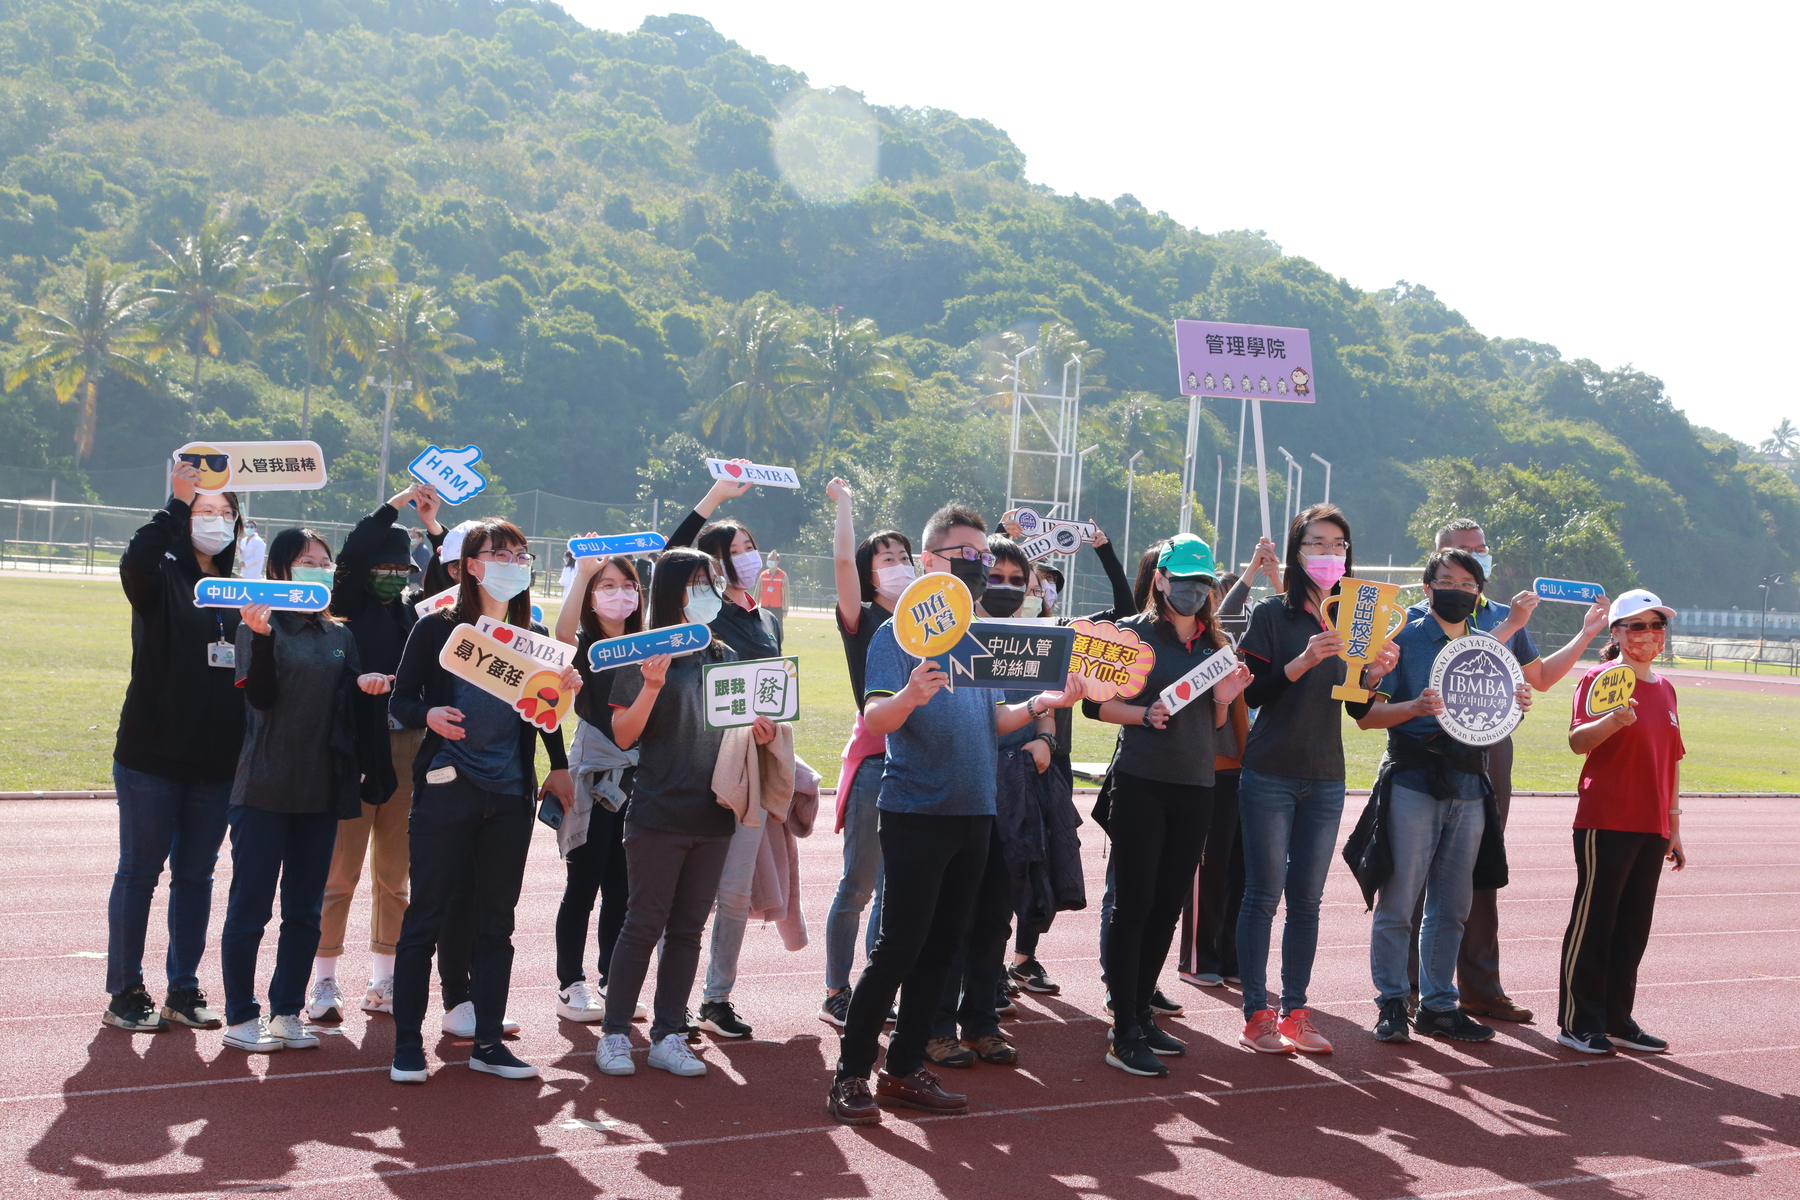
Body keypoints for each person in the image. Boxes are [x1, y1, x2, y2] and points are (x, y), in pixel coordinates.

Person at [825, 503, 1084, 1127]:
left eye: (983, 556)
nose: (980, 566)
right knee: (898, 950)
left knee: (942, 951)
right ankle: (851, 1074)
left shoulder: (976, 634)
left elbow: (994, 720)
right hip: (915, 809)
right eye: (966, 555)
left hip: (977, 811)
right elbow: (875, 719)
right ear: (932, 559)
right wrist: (911, 694)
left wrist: (1044, 702)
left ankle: (905, 1069)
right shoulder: (898, 634)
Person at [386, 519, 579, 1084]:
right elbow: (398, 702)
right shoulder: (438, 628)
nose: (512, 563)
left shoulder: (533, 634)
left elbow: (540, 712)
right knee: (426, 918)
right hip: (449, 789)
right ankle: (406, 1046)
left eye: (521, 554)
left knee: (497, 924)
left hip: (510, 794)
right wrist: (428, 716)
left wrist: (560, 751)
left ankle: (488, 1042)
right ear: (471, 564)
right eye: (500, 553)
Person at [1404, 517, 1610, 1025]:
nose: (1473, 557)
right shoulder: (1416, 618)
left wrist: (1585, 635)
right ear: (1436, 565)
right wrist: (1513, 624)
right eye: (1460, 551)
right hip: (1424, 754)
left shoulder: (1502, 611)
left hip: (1489, 753)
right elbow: (1442, 666)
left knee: (1479, 868)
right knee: (1412, 872)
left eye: (1479, 549)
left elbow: (1538, 679)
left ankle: (1479, 986)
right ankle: (1411, 987)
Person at [594, 547, 773, 1079]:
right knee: (643, 923)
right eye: (696, 582)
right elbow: (625, 733)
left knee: (689, 928)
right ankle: (615, 1032)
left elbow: (735, 725)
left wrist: (759, 729)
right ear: (671, 590)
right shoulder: (642, 651)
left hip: (713, 812)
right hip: (657, 811)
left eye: (712, 581)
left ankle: (670, 1032)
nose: (707, 592)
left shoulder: (721, 653)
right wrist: (651, 685)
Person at [1083, 534, 1252, 1076]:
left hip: (1197, 788)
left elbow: (1217, 727)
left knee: (1168, 905)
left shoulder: (1216, 647)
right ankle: (1123, 1027)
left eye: (1202, 582)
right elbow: (1097, 708)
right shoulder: (1130, 637)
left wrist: (1224, 702)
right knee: (1134, 903)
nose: (1192, 590)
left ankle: (1140, 1014)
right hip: (1140, 783)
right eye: (1182, 580)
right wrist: (1145, 715)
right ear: (1159, 579)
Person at [1234, 504, 1397, 1055]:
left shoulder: (1356, 617)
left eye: (1338, 545)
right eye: (1316, 544)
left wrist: (1374, 677)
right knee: (1262, 896)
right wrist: (1300, 663)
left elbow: (1358, 709)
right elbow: (1249, 695)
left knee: (1307, 900)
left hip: (1326, 777)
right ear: (1296, 549)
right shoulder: (1272, 616)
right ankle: (1256, 1013)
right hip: (1269, 772)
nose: (1329, 555)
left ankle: (1295, 1012)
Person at [1355, 548, 1533, 1045]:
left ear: (1478, 594)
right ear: (1428, 587)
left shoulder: (1486, 649)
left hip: (1470, 786)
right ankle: (1392, 1001)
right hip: (1413, 779)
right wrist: (1413, 707)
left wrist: (1516, 706)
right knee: (1399, 900)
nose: (1458, 589)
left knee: (1452, 906)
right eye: (1447, 580)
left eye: (1468, 583)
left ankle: (1438, 1005)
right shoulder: (1403, 639)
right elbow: (1366, 716)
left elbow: (1494, 722)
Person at [219, 528, 380, 1052]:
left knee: (305, 910)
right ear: (280, 570)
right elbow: (260, 700)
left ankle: (287, 1010)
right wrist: (261, 639)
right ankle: (242, 1017)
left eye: (324, 560)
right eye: (306, 560)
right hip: (264, 786)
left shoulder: (339, 634)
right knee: (250, 909)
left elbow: (350, 702)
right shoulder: (258, 623)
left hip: (320, 789)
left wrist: (372, 686)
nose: (319, 568)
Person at [103, 459, 246, 1033]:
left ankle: (182, 988)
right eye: (202, 511)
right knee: (140, 871)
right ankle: (125, 990)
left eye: (224, 512)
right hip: (152, 753)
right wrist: (175, 502)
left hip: (217, 759)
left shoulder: (243, 587)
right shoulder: (160, 574)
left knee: (197, 875)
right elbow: (135, 558)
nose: (213, 521)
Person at [306, 483, 445, 1024]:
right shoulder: (345, 608)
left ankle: (383, 981)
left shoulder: (415, 616)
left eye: (401, 570)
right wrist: (399, 502)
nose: (392, 576)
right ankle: (323, 982)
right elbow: (357, 549)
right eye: (382, 567)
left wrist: (433, 527)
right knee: (339, 874)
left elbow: (449, 580)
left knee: (395, 876)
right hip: (353, 749)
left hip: (410, 749)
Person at [661, 472, 785, 1040]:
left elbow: (774, 693)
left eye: (749, 547)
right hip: (694, 765)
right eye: (731, 551)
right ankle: (673, 999)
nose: (746, 558)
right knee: (687, 894)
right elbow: (667, 557)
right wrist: (712, 498)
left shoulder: (768, 618)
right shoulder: (703, 616)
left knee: (733, 891)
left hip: (750, 768)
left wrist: (767, 728)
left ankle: (717, 998)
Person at [1557, 590, 1685, 1056]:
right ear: (1616, 633)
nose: (1648, 636)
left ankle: (1616, 1018)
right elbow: (1577, 741)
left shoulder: (1666, 689)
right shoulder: (1601, 679)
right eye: (1636, 626)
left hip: (1650, 825)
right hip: (1606, 819)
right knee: (1595, 923)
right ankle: (1577, 1022)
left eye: (1656, 626)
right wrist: (1613, 720)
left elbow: (1671, 761)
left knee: (1632, 927)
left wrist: (1673, 825)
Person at [820, 477, 913, 1026]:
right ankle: (837, 989)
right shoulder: (864, 618)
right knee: (858, 883)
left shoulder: (928, 621)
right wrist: (847, 505)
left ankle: (877, 989)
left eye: (904, 556)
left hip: (920, 762)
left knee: (893, 890)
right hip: (878, 762)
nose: (897, 564)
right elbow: (840, 565)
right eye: (886, 558)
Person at [550, 551, 646, 1024]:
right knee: (583, 883)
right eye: (607, 586)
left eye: (628, 585)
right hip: (592, 775)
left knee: (622, 888)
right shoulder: (585, 643)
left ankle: (613, 977)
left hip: (636, 779)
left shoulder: (649, 642)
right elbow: (561, 638)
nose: (620, 594)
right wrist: (584, 573)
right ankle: (571, 983)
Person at [757, 550, 788, 619]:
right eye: (769, 559)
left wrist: (785, 609)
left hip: (777, 607)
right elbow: (758, 591)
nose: (770, 561)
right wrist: (754, 606)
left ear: (777, 561)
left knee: (777, 628)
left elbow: (786, 594)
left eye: (773, 560)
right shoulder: (763, 575)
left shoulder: (782, 575)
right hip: (764, 606)